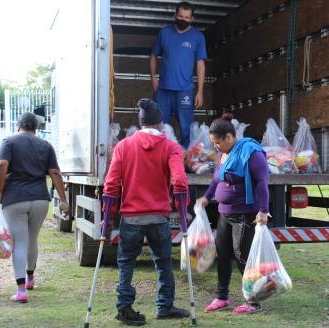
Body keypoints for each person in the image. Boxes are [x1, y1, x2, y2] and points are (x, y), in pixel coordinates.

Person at [103, 98, 190, 326]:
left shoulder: (123, 146)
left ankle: (124, 308)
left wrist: (107, 218)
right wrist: (183, 211)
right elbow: (179, 180)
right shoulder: (171, 147)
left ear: (140, 123)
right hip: (158, 216)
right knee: (162, 263)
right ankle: (165, 306)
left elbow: (111, 185)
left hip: (130, 217)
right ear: (160, 124)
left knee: (127, 264)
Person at [196, 113, 270, 315]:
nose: (216, 146)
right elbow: (216, 180)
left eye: (218, 142)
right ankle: (222, 297)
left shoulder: (250, 153)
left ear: (229, 137)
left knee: (243, 257)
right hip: (224, 214)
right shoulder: (222, 155)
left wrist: (263, 211)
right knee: (223, 256)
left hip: (245, 215)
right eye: (214, 143)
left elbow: (263, 182)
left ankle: (253, 300)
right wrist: (206, 197)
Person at [0, 112, 69, 303]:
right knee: (32, 239)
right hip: (40, 199)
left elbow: (1, 164)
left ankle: (21, 291)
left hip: (15, 199)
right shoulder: (46, 145)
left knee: (19, 242)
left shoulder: (9, 141)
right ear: (36, 128)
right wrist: (64, 200)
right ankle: (30, 278)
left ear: (19, 126)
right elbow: (55, 173)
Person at [150, 1, 207, 148]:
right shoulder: (164, 33)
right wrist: (153, 78)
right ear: (175, 15)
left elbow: (200, 64)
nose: (183, 19)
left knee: (186, 129)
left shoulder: (198, 37)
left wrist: (200, 91)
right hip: (163, 89)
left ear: (192, 19)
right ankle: (161, 159)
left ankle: (185, 161)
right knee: (160, 127)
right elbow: (153, 55)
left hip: (185, 90)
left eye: (186, 17)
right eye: (180, 16)